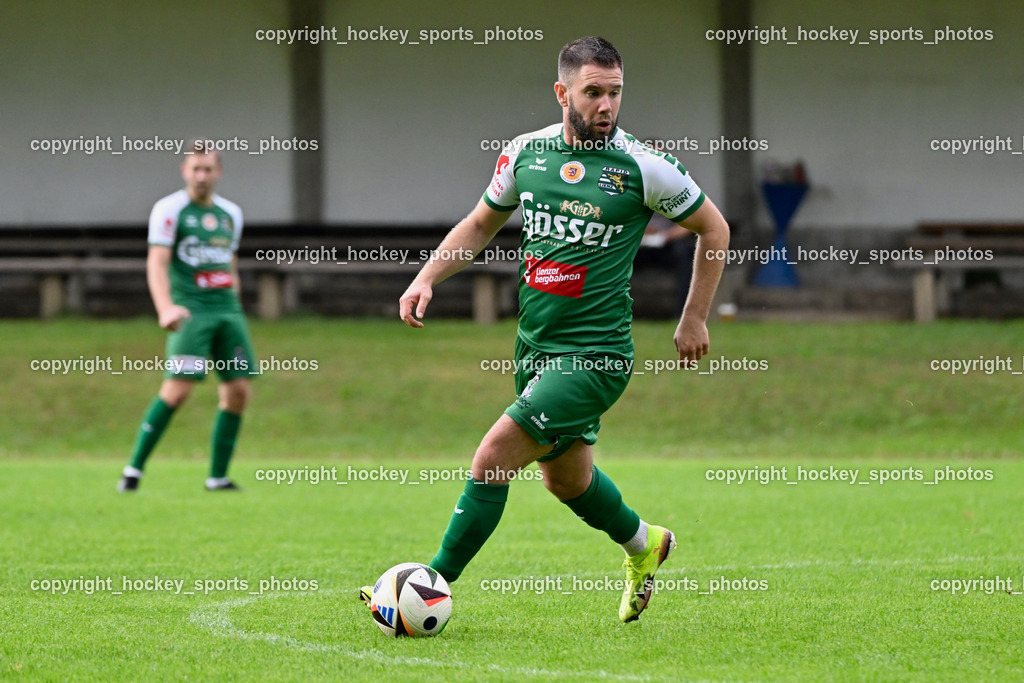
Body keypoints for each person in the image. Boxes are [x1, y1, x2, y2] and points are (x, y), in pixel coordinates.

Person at [380, 36, 729, 622]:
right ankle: (646, 545)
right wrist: (427, 277)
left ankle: (425, 585)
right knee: (566, 482)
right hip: (534, 348)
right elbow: (479, 223)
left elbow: (714, 230)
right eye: (593, 93)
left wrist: (693, 316)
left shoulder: (645, 167)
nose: (607, 106)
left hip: (596, 355)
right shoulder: (525, 154)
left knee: (492, 457)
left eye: (615, 93)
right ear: (562, 92)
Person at [118, 141, 256, 493]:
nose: (201, 176)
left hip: (227, 310)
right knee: (177, 391)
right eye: (195, 168)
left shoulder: (230, 214)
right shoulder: (169, 210)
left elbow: (230, 262)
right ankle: (133, 470)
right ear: (184, 170)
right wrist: (164, 307)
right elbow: (157, 262)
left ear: (218, 172)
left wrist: (235, 302)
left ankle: (217, 477)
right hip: (191, 312)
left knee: (239, 391)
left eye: (208, 169)